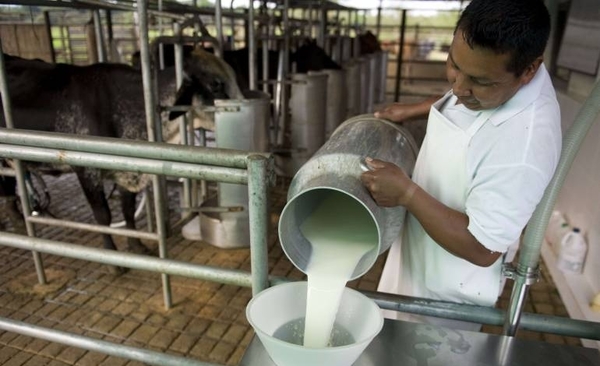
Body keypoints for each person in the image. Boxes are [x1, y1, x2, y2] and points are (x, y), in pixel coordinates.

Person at [360, 0, 561, 331]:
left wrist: (407, 193)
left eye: (479, 82)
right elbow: (468, 85)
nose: (457, 88)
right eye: (453, 64)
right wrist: (420, 107)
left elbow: (482, 248)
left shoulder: (523, 146)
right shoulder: (499, 70)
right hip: (417, 259)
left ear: (529, 70)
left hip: (443, 301)